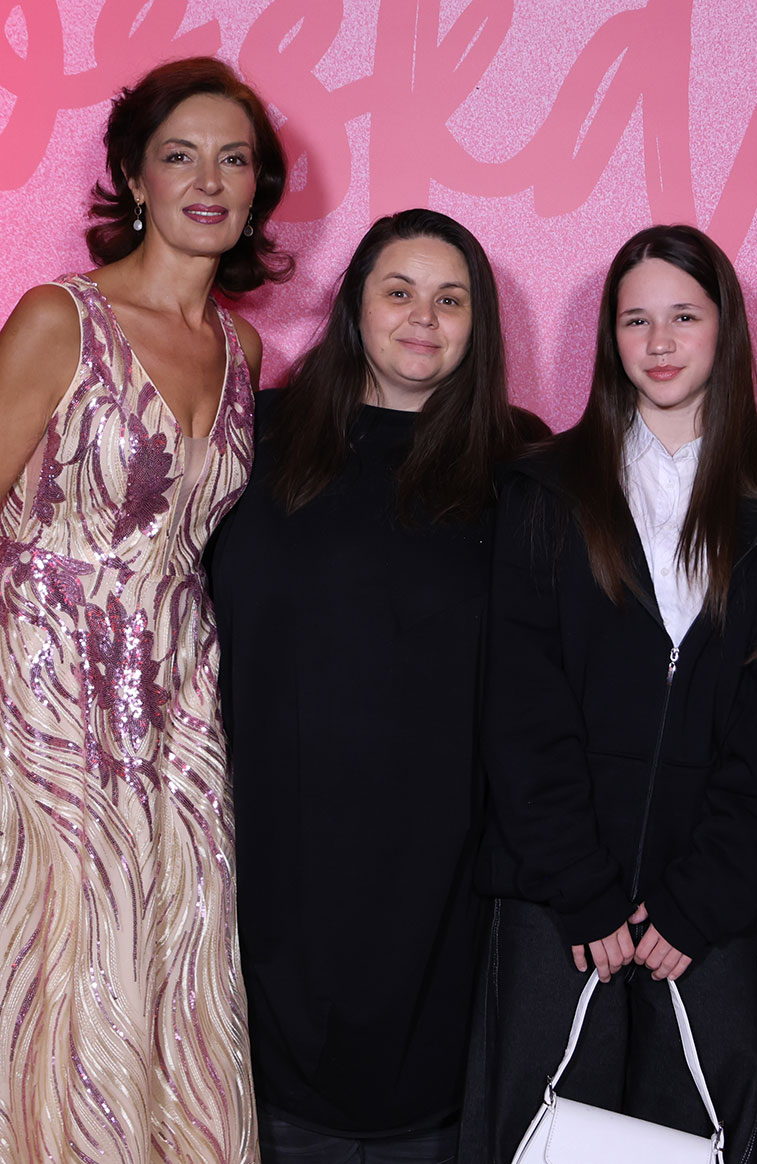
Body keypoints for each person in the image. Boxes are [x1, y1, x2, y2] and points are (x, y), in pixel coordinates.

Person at [0, 57, 290, 1164]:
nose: (209, 181)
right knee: (36, 983)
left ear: (258, 187)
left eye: (234, 159)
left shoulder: (245, 351)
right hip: (38, 705)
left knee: (163, 981)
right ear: (135, 179)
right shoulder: (62, 319)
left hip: (175, 717)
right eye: (180, 156)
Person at [462, 224, 757, 1164]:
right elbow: (520, 711)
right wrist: (583, 890)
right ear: (611, 337)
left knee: (707, 1142)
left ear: (725, 329)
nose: (660, 343)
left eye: (684, 317)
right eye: (636, 321)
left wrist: (699, 903)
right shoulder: (541, 490)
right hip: (556, 903)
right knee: (535, 1142)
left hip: (705, 914)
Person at [203, 208, 548, 1164]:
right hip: (264, 853)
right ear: (356, 305)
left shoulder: (522, 465)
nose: (423, 318)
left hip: (438, 878)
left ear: (479, 325)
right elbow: (140, 555)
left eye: (451, 300)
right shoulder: (255, 434)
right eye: (399, 292)